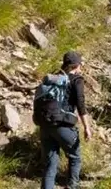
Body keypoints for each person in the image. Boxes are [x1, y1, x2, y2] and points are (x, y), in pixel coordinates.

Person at [37, 51, 92, 189]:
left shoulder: (54, 78)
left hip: (45, 125)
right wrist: (87, 127)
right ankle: (73, 186)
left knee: (50, 164)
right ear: (77, 65)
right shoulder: (76, 79)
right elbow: (80, 104)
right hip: (63, 125)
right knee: (75, 157)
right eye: (81, 64)